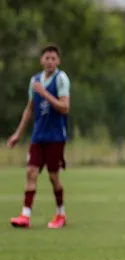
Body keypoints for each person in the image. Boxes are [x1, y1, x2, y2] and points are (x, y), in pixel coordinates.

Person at [8, 43, 70, 229]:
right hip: (38, 135)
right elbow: (30, 108)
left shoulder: (61, 79)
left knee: (53, 177)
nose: (50, 61)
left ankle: (61, 213)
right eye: (47, 58)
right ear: (41, 60)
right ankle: (25, 216)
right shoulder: (34, 80)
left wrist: (45, 94)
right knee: (31, 172)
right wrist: (18, 133)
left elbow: (65, 108)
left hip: (56, 136)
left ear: (58, 61)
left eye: (53, 58)